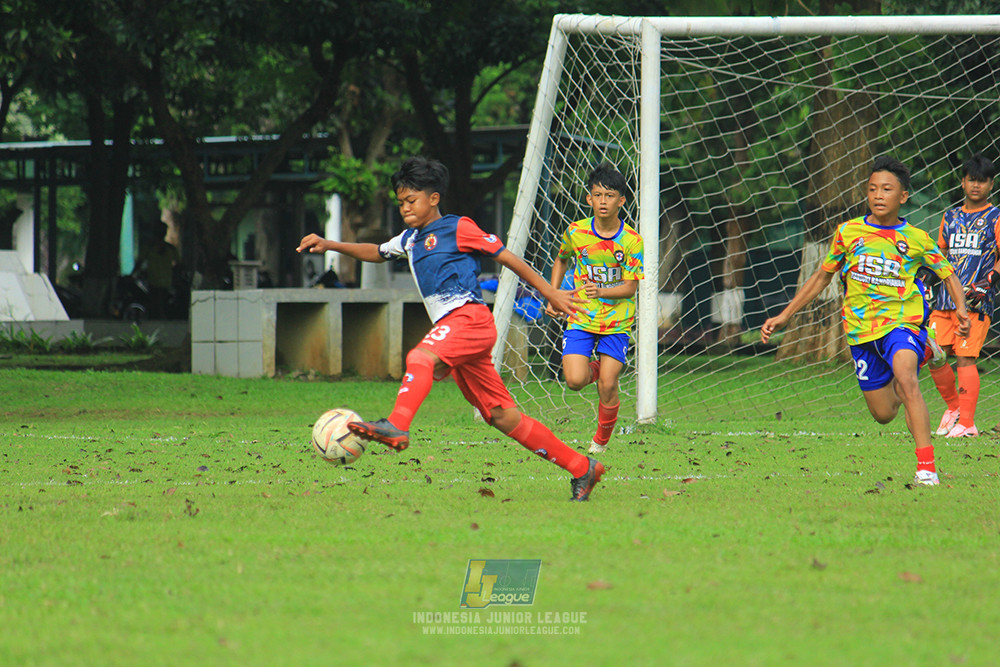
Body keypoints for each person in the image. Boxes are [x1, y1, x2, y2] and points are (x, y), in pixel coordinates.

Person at [296, 156, 605, 501]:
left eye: (411, 200)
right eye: (400, 203)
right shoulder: (411, 239)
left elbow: (507, 257)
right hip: (456, 329)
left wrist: (548, 291)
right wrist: (331, 244)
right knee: (502, 416)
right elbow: (377, 251)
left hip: (469, 319)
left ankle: (397, 425)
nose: (405, 208)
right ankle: (583, 468)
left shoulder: (458, 227)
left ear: (434, 198)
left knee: (421, 356)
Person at [761, 156, 971, 486]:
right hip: (861, 332)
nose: (878, 194)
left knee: (906, 379)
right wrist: (784, 315)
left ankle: (927, 468)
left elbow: (947, 273)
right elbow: (821, 276)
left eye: (887, 189)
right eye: (873, 188)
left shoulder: (915, 238)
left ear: (902, 196)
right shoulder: (849, 233)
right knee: (884, 414)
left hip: (902, 323)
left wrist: (960, 307)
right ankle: (928, 353)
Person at [545, 162, 644, 454]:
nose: (603, 201)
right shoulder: (575, 232)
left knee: (607, 385)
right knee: (574, 380)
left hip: (617, 321)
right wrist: (554, 294)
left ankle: (600, 442)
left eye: (610, 196)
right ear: (589, 198)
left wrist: (600, 290)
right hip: (581, 315)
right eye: (598, 195)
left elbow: (629, 288)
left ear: (621, 201)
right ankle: (601, 367)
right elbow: (562, 259)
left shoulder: (632, 241)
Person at [926, 154, 1000, 438]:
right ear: (962, 182)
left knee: (965, 358)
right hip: (944, 300)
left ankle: (967, 423)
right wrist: (925, 279)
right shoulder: (951, 216)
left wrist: (988, 282)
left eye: (982, 181)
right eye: (972, 180)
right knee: (933, 352)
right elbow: (940, 256)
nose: (976, 186)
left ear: (991, 184)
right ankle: (954, 407)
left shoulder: (996, 217)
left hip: (975, 302)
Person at [136, 221, 180, 319]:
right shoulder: (149, 247)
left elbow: (179, 265)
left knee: (161, 305)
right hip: (154, 281)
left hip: (165, 282)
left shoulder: (170, 248)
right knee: (155, 305)